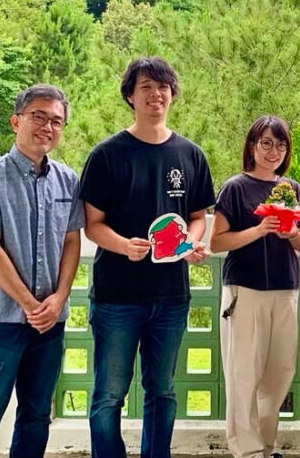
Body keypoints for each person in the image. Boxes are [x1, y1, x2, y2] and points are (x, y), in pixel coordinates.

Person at [79, 57, 215, 458]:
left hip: (171, 296)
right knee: (109, 395)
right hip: (116, 297)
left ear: (172, 95)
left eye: (163, 87)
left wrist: (190, 244)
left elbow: (198, 217)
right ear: (130, 96)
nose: (156, 95)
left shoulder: (191, 155)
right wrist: (124, 245)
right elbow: (92, 225)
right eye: (146, 87)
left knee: (163, 391)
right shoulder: (107, 155)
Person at [0, 84, 83, 458]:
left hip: (49, 322)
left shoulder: (68, 179)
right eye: (38, 116)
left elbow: (72, 241)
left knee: (36, 416)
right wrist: (30, 305)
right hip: (0, 319)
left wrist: (59, 299)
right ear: (16, 121)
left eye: (56, 121)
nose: (47, 126)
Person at [210, 116, 300, 458]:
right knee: (243, 374)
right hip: (245, 290)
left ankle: (266, 445)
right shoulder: (235, 188)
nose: (273, 151)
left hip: (285, 288)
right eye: (266, 143)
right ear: (252, 146)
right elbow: (216, 242)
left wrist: (290, 233)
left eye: (280, 144)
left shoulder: (292, 189)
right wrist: (259, 229)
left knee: (279, 372)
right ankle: (247, 451)